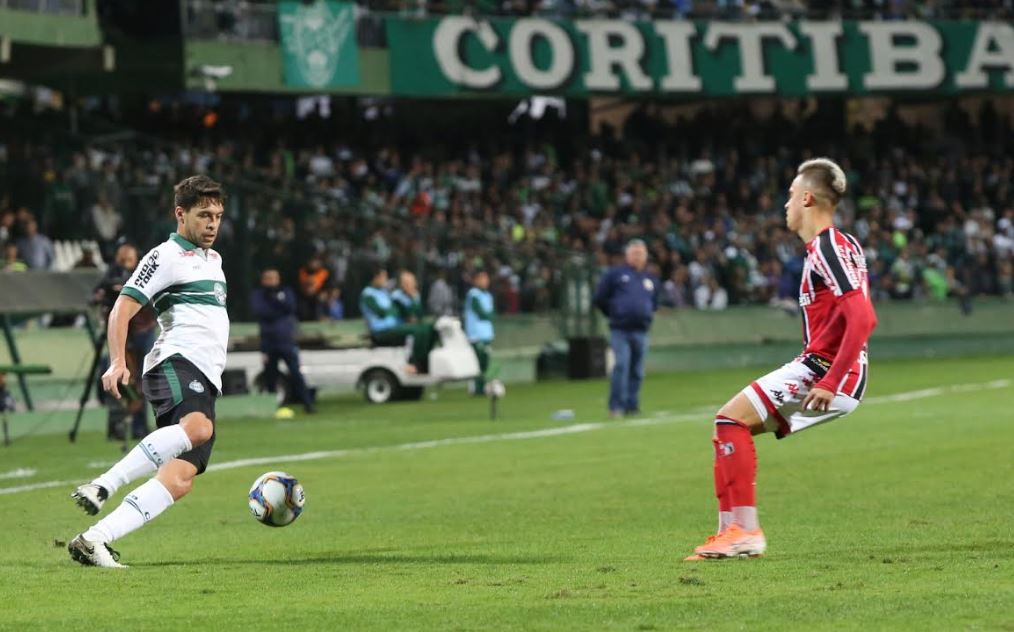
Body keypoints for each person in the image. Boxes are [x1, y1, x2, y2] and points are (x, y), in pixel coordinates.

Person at [685, 158, 878, 561]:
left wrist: (829, 380)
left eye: (790, 196)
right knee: (727, 427)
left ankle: (744, 531)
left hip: (827, 369)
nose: (785, 205)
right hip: (831, 368)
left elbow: (863, 317)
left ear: (807, 197)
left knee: (729, 421)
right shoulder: (841, 245)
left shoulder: (827, 245)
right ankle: (730, 534)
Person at [67, 175, 229, 568]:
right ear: (180, 214)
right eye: (203, 214)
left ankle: (94, 539)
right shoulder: (164, 256)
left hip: (205, 376)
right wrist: (118, 361)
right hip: (174, 362)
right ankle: (104, 483)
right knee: (200, 428)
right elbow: (122, 307)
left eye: (218, 216)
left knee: (180, 478)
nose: (212, 223)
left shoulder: (214, 260)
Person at [93, 243, 158, 440]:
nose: (124, 265)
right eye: (121, 259)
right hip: (120, 332)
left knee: (142, 378)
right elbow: (95, 296)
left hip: (143, 331)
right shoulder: (108, 277)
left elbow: (151, 301)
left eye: (128, 260)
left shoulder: (145, 273)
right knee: (114, 372)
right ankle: (116, 426)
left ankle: (139, 426)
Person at [594, 239, 659, 418]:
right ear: (627, 255)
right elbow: (600, 298)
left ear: (645, 257)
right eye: (634, 253)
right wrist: (615, 313)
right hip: (620, 329)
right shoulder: (615, 275)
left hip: (641, 330)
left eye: (641, 254)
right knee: (621, 365)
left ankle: (633, 405)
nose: (638, 257)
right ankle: (616, 406)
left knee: (637, 370)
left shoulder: (649, 279)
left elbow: (653, 303)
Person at [250, 268, 315, 413]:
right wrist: (278, 305)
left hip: (286, 341)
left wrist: (275, 306)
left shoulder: (286, 291)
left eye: (274, 278)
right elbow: (261, 311)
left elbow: (290, 307)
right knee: (270, 376)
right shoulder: (258, 295)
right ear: (263, 280)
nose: (272, 281)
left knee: (296, 373)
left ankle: (308, 404)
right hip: (268, 343)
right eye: (269, 278)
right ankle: (271, 407)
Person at [359, 268, 433, 374]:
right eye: (384, 277)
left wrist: (413, 299)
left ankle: (424, 363)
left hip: (394, 326)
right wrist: (395, 311)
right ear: (376, 278)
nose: (386, 280)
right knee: (419, 331)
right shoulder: (368, 294)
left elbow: (414, 314)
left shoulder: (384, 292)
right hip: (381, 329)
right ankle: (413, 364)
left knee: (429, 328)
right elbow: (383, 312)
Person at [463, 270, 495, 395]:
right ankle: (475, 386)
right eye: (481, 278)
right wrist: (488, 315)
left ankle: (482, 385)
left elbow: (491, 313)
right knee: (477, 360)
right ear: (475, 280)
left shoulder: (488, 295)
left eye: (486, 278)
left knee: (485, 360)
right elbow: (482, 313)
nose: (485, 281)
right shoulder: (473, 294)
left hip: (486, 333)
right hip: (475, 333)